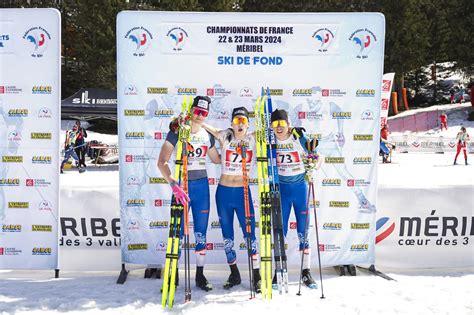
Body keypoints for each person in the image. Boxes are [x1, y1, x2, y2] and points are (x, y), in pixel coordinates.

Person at [158, 96, 221, 291]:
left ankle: (200, 276)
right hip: (182, 187)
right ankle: (173, 274)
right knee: (177, 232)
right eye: (197, 111)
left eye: (204, 113)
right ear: (191, 110)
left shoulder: (206, 135)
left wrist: (232, 142)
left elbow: (217, 160)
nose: (200, 116)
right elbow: (162, 162)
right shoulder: (177, 130)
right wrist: (172, 184)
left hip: (201, 187)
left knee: (201, 233)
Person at [203, 107, 261, 292]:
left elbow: (278, 131)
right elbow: (206, 127)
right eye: (237, 121)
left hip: (243, 192)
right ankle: (234, 273)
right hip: (224, 193)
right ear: (232, 124)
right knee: (227, 236)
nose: (240, 124)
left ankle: (257, 275)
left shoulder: (254, 139)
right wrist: (193, 120)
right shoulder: (225, 136)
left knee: (250, 234)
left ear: (248, 124)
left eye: (243, 120)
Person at [270, 109, 320, 289]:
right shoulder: (270, 139)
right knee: (279, 232)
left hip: (300, 188)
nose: (279, 127)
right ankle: (279, 271)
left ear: (288, 123)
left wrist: (315, 167)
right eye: (275, 124)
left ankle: (306, 272)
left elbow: (316, 154)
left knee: (303, 232)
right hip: (282, 189)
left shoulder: (298, 135)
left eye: (282, 123)